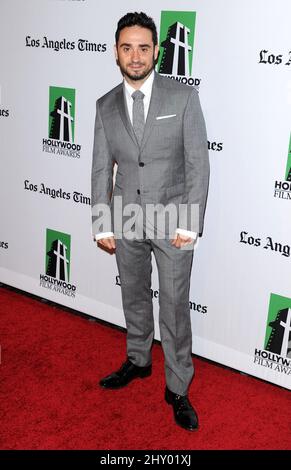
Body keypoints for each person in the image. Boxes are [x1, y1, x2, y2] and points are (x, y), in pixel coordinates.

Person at [91, 12, 210, 431]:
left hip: (173, 218)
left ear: (157, 51)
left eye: (144, 47)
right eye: (127, 48)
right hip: (125, 219)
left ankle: (178, 387)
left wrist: (190, 223)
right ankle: (138, 360)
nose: (136, 56)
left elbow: (198, 162)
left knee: (176, 307)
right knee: (135, 296)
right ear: (116, 53)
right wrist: (102, 222)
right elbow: (101, 169)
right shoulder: (105, 105)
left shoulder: (183, 98)